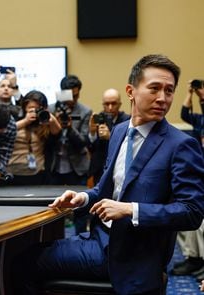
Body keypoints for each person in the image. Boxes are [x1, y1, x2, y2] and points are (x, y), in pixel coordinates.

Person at [11, 54, 204, 295]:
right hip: (98, 238)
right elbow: (107, 189)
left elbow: (192, 212)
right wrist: (82, 198)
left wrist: (130, 209)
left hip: (132, 255)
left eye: (169, 90)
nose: (163, 98)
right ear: (131, 91)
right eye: (154, 88)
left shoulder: (181, 144)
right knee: (21, 256)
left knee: (21, 263)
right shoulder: (120, 132)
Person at [170, 81, 204, 279]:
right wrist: (190, 93)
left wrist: (201, 95)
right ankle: (194, 259)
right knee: (190, 216)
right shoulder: (200, 121)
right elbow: (184, 113)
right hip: (200, 173)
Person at [6, 90, 61, 185]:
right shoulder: (15, 117)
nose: (34, 111)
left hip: (38, 173)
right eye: (30, 108)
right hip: (13, 172)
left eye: (37, 109)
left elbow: (57, 133)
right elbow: (5, 132)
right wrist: (25, 121)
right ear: (24, 108)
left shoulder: (44, 122)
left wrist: (49, 117)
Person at [47, 74, 92, 186]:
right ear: (62, 93)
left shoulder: (85, 111)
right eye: (70, 96)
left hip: (77, 167)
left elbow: (83, 142)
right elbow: (45, 141)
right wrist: (55, 125)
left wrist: (70, 128)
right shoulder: (51, 109)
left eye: (76, 96)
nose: (72, 100)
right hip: (54, 166)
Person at [88, 88, 130, 185]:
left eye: (114, 104)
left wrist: (111, 137)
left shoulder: (127, 120)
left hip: (119, 168)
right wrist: (92, 133)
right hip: (99, 169)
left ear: (119, 104)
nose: (110, 108)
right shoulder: (98, 118)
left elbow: (129, 146)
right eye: (107, 104)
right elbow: (91, 147)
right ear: (103, 104)